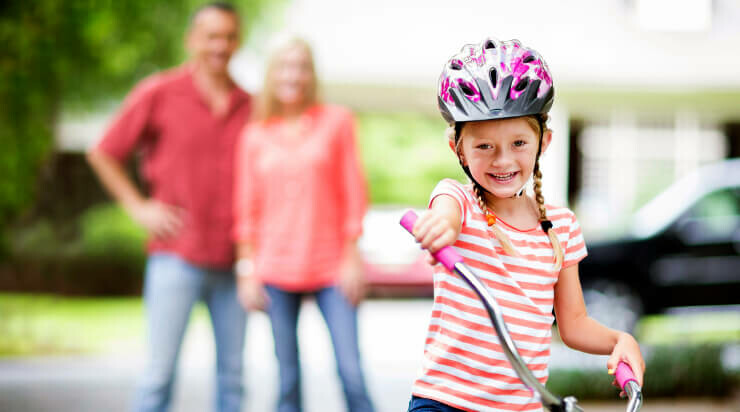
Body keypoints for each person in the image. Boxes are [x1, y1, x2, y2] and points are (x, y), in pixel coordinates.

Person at [407, 37, 645, 412]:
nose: (503, 160)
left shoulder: (561, 226)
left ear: (544, 142)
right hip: (445, 403)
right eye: (484, 146)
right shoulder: (459, 200)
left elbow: (574, 323)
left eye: (518, 142)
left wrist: (620, 339)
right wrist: (441, 229)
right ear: (457, 148)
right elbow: (445, 218)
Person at [86, 3, 251, 412]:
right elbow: (104, 153)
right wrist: (138, 207)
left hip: (234, 261)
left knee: (233, 377)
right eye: (211, 36)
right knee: (159, 376)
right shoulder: (158, 92)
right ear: (192, 40)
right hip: (175, 255)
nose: (220, 45)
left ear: (237, 42)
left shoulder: (250, 105)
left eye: (229, 36)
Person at [232, 36, 375, 412]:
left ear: (310, 75)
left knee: (351, 373)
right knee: (287, 378)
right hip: (275, 267)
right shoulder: (254, 135)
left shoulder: (337, 122)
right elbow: (247, 209)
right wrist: (247, 270)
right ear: (271, 75)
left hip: (332, 266)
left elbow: (354, 193)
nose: (292, 75)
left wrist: (351, 256)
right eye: (284, 66)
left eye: (300, 66)